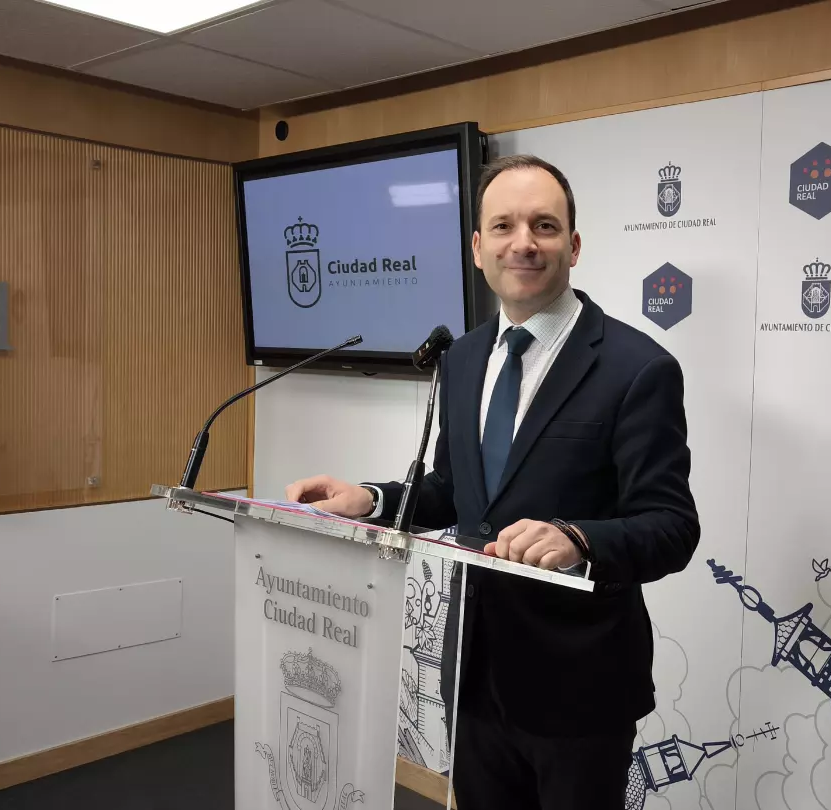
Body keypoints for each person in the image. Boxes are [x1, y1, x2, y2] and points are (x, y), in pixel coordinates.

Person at [284, 154, 700, 809]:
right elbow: (455, 493)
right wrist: (373, 499)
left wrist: (578, 540)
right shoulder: (463, 357)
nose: (523, 242)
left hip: (580, 689)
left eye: (544, 225)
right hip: (474, 676)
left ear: (574, 246)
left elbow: (672, 526)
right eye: (503, 226)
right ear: (478, 248)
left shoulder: (637, 369)